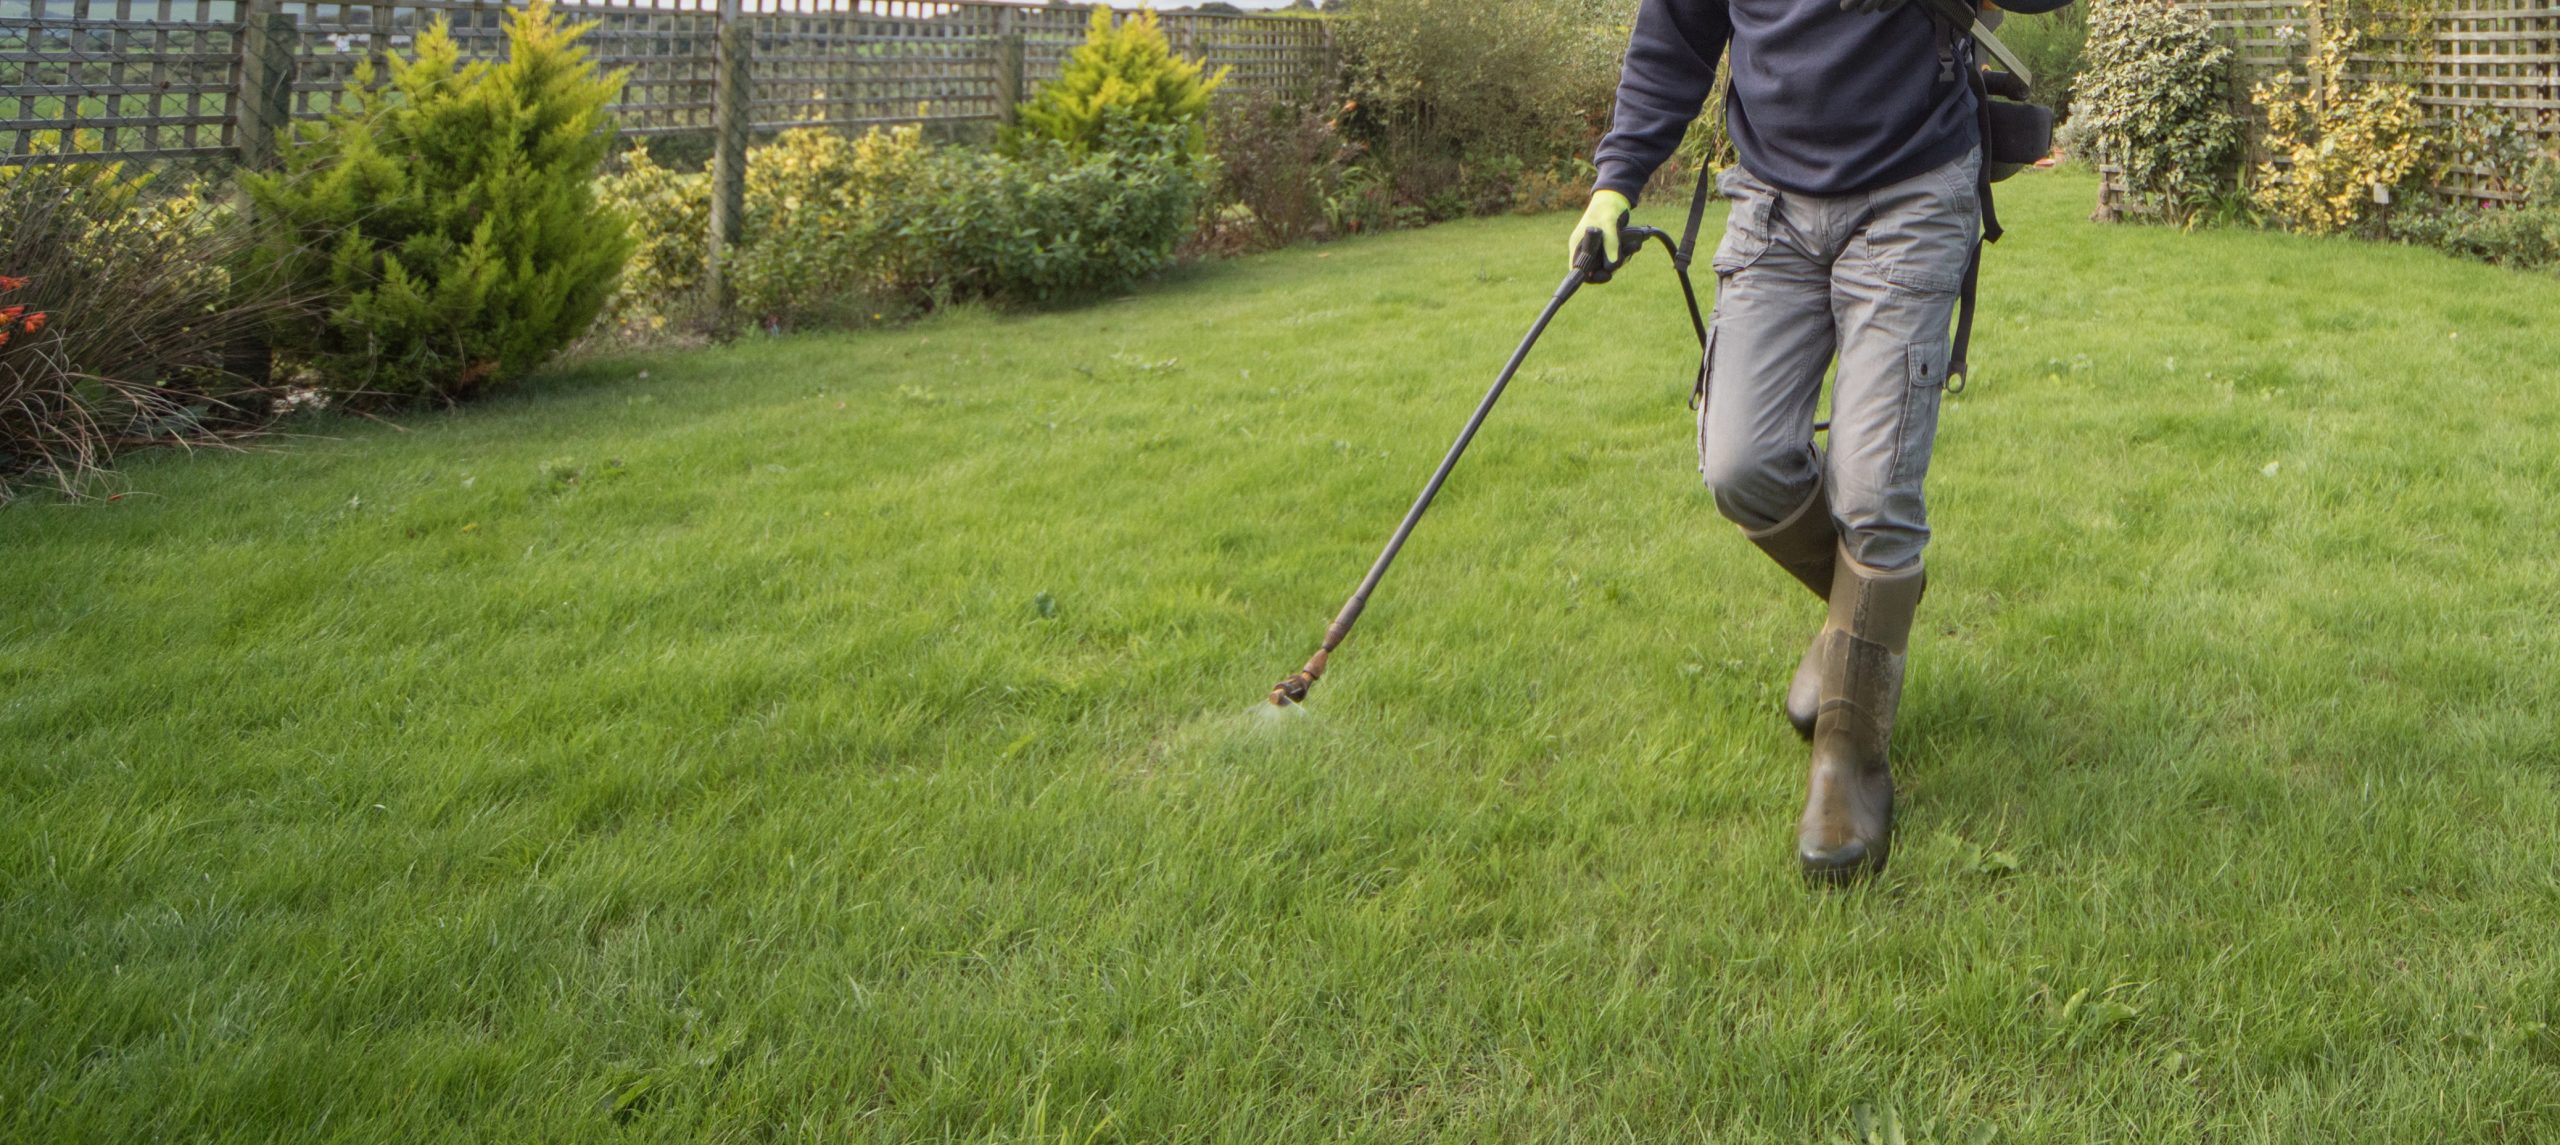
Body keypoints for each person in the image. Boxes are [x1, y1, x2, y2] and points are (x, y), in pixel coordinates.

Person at [1568, 0, 2068, 883]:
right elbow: (1676, 38)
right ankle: (1863, 617)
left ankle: (1850, 756)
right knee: (1740, 464)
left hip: (1914, 190)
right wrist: (1616, 183)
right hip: (1771, 203)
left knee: (1875, 493)